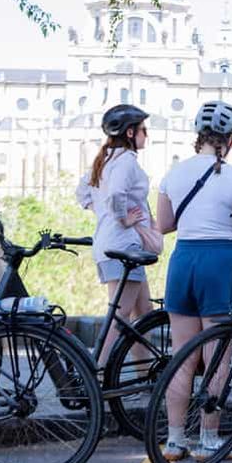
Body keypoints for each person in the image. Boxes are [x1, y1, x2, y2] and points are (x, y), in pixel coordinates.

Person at [155, 101, 232, 462]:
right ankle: (209, 440)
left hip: (183, 261)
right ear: (230, 138)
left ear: (198, 136)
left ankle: (173, 441)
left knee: (183, 356)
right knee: (219, 356)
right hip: (222, 262)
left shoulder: (174, 173)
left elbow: (164, 225)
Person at [76, 104, 153, 367]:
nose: (147, 135)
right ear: (130, 133)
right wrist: (121, 219)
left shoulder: (106, 158)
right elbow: (117, 194)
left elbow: (82, 193)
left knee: (144, 314)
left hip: (111, 244)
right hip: (124, 246)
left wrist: (104, 216)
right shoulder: (126, 161)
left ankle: (146, 374)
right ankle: (96, 375)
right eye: (143, 129)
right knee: (119, 318)